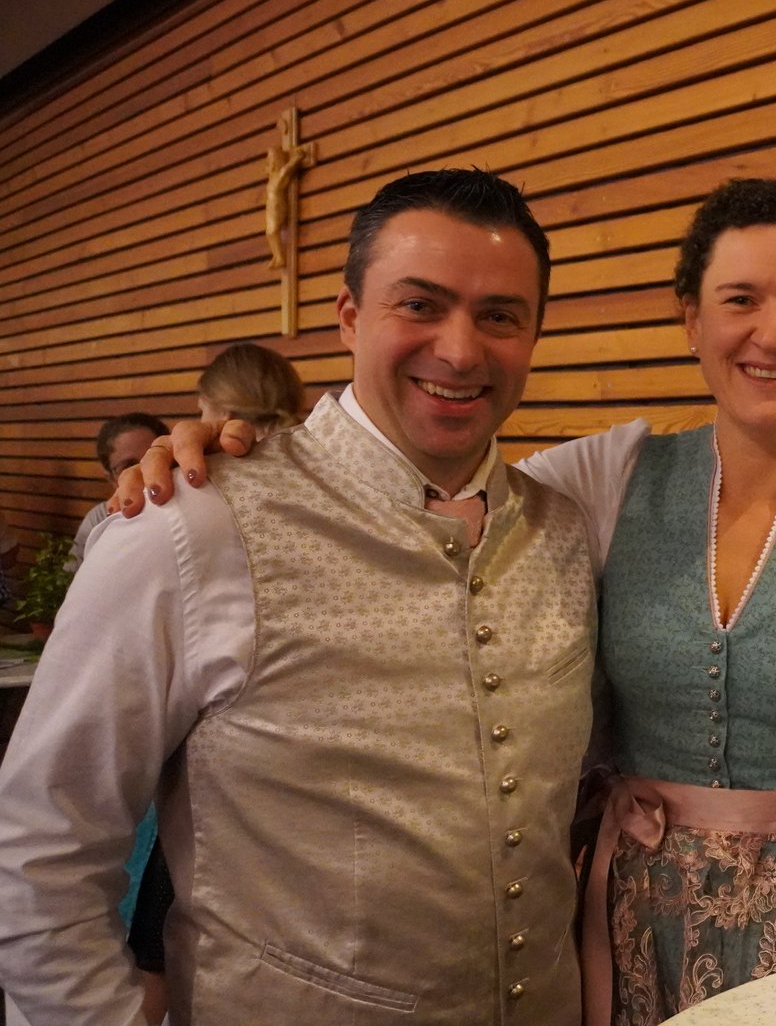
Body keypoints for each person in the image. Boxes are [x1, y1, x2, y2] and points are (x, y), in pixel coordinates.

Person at [119, 179, 776, 1026]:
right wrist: (254, 455)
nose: (771, 333)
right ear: (691, 320)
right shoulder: (610, 476)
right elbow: (433, 488)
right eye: (739, 299)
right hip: (642, 913)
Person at [0, 169, 597, 1024]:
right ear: (349, 316)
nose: (461, 350)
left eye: (499, 316)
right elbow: (43, 841)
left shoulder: (565, 528)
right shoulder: (194, 523)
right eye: (419, 305)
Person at [69, 413, 168, 572]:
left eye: (153, 458)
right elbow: (70, 580)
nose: (140, 471)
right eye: (128, 466)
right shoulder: (98, 520)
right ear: (111, 478)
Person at [195, 342, 306, 437]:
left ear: (225, 416)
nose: (201, 421)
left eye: (202, 411)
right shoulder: (311, 447)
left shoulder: (203, 456)